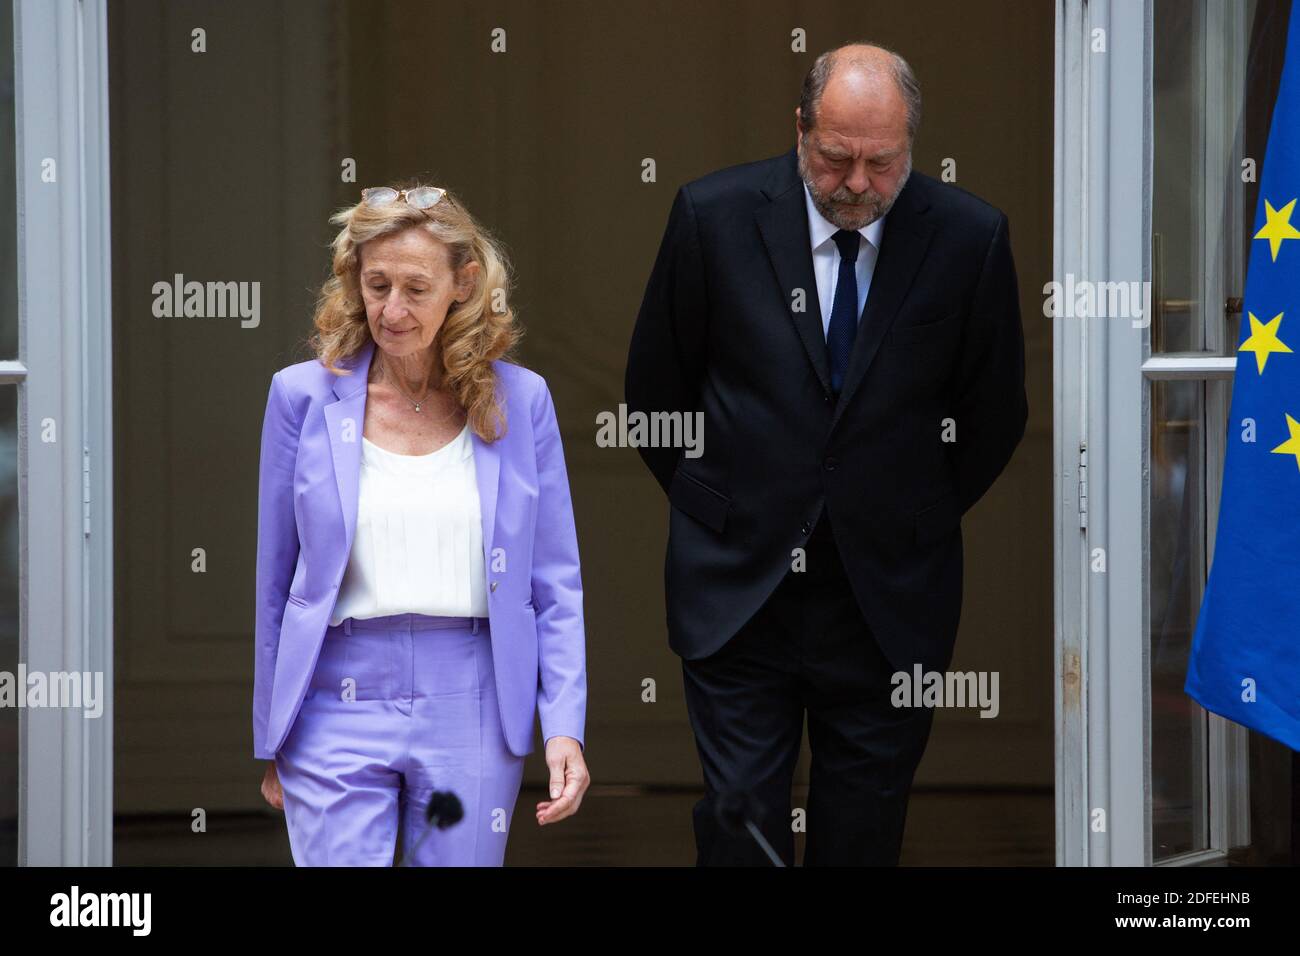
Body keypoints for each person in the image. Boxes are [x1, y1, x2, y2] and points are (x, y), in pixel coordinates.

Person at [625, 42, 1027, 865]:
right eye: (836, 157)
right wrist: (725, 503)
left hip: (888, 597)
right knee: (741, 832)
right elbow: (655, 396)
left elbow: (992, 416)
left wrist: (907, 511)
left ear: (912, 141)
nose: (857, 184)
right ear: (799, 129)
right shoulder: (714, 216)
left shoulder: (968, 237)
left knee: (863, 835)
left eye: (884, 164)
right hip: (737, 588)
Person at [253, 183, 589, 866]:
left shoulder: (520, 402)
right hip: (332, 694)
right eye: (376, 285)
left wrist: (564, 728)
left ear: (464, 285)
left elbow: (554, 581)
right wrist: (274, 733)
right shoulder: (301, 396)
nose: (392, 309)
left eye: (415, 287)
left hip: (471, 693)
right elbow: (276, 580)